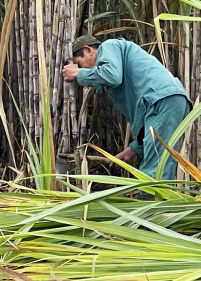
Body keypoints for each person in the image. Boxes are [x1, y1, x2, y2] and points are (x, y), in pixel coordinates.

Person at [62, 35, 191, 180]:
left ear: (88, 51)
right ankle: (164, 198)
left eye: (79, 64)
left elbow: (112, 76)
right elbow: (144, 114)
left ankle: (152, 199)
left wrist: (78, 73)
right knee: (162, 158)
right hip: (169, 101)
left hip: (163, 101)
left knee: (156, 165)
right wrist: (133, 149)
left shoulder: (109, 46)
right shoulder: (121, 62)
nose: (79, 68)